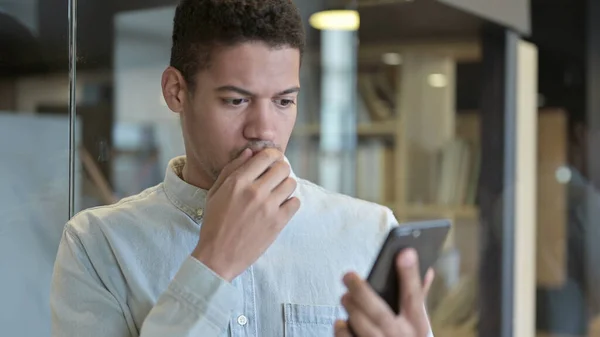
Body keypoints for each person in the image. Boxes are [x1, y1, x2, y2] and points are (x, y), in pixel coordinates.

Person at [50, 1, 435, 336]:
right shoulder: (98, 246)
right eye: (236, 100)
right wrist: (213, 263)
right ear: (176, 91)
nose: (264, 130)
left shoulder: (369, 233)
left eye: (284, 102)